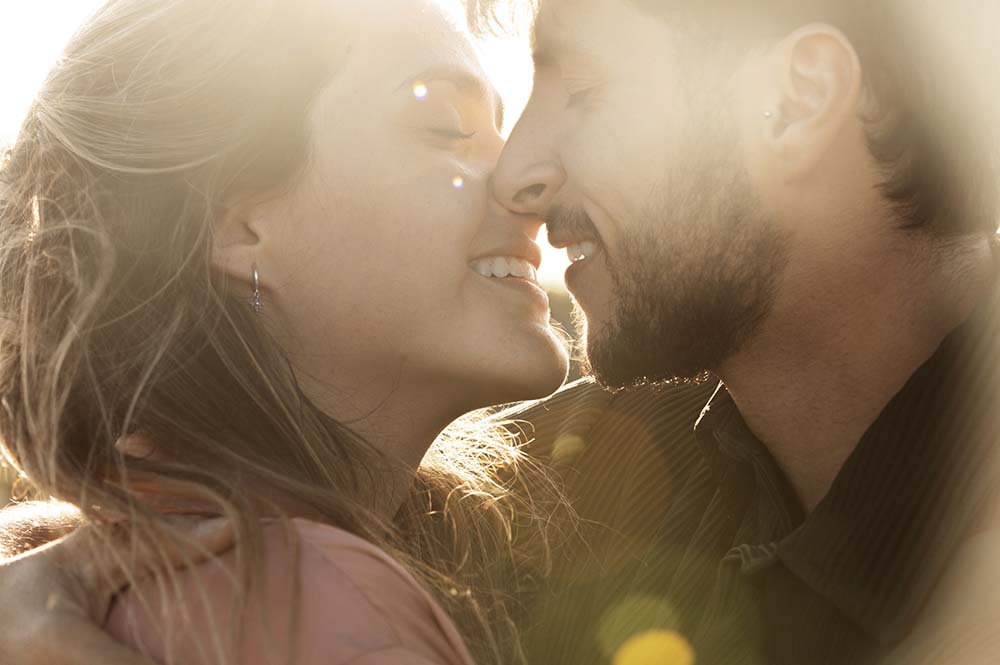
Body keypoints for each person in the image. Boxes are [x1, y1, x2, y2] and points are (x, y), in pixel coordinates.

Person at [3, 0, 1000, 663]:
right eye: (447, 123)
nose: (518, 174)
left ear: (793, 102)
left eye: (586, 90)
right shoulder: (546, 497)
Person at [0, 0, 574, 664]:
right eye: (445, 128)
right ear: (240, 227)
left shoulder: (89, 586)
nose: (527, 179)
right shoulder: (325, 603)